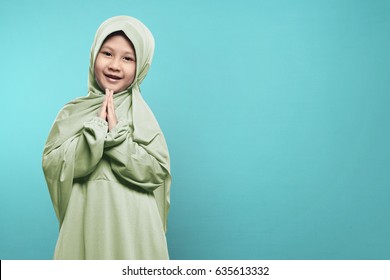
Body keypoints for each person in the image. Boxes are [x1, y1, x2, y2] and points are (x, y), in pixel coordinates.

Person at [42, 16, 171, 260]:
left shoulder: (142, 117)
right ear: (94, 55)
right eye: (107, 53)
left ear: (141, 65)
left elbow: (157, 173)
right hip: (84, 222)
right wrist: (95, 132)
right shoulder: (71, 114)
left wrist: (117, 138)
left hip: (135, 229)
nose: (115, 65)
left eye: (127, 58)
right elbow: (53, 166)